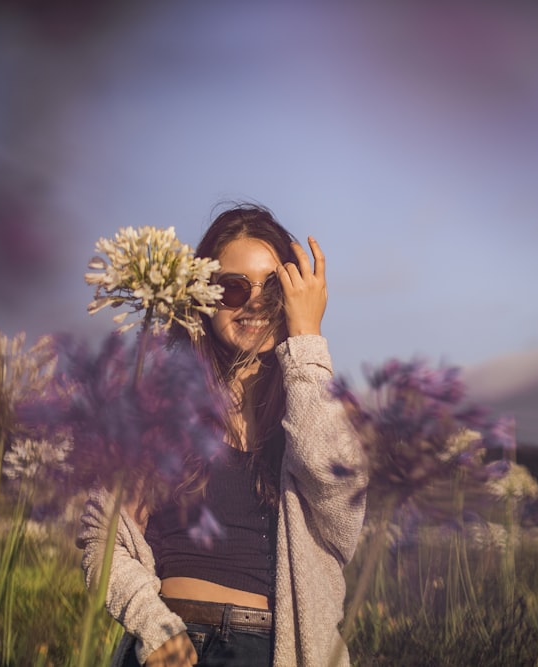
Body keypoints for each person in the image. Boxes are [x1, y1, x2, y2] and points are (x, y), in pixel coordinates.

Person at [77, 203, 368, 666]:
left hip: (272, 651)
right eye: (232, 287)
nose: (254, 302)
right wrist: (156, 632)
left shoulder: (313, 404)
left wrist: (308, 339)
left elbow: (339, 503)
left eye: (273, 288)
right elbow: (102, 541)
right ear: (202, 297)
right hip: (170, 643)